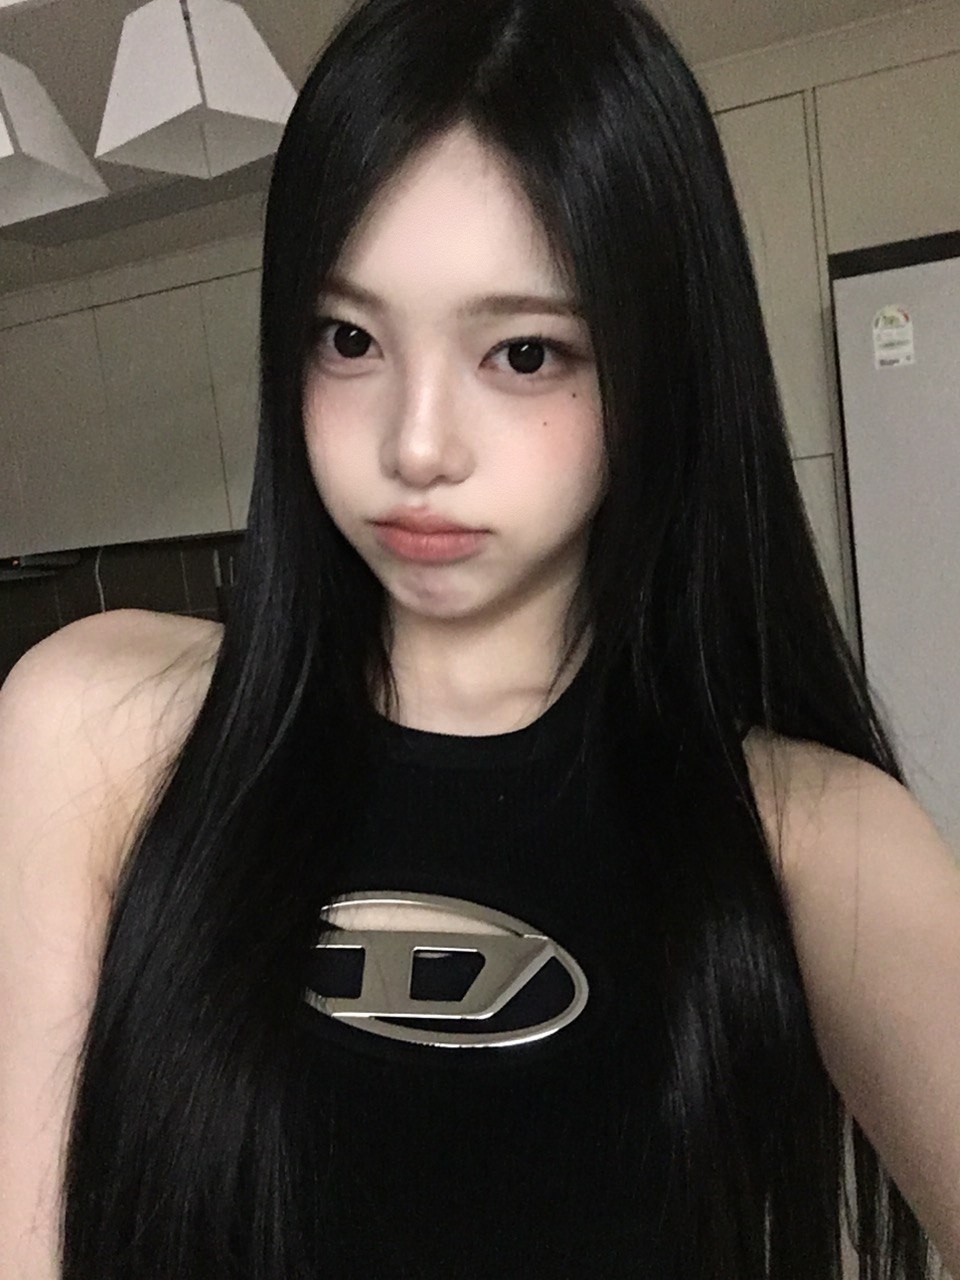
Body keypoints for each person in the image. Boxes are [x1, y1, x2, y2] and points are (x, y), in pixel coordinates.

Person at [0, 0, 957, 1275]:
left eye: (523, 352)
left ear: (660, 366)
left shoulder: (815, 839)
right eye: (350, 339)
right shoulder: (94, 726)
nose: (416, 445)